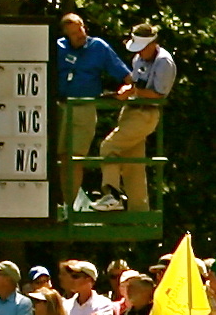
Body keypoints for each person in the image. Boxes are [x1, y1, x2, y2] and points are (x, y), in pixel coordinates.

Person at [51, 12, 131, 208]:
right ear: (66, 35)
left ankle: (69, 206)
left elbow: (126, 75)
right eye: (75, 34)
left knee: (76, 157)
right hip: (58, 106)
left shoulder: (98, 47)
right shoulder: (56, 47)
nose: (81, 35)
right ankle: (56, 204)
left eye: (82, 30)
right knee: (57, 156)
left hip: (84, 107)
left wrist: (128, 87)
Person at [97, 23, 174, 210]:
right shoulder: (138, 59)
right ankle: (139, 213)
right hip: (131, 111)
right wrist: (128, 90)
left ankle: (111, 195)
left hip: (146, 114)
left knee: (109, 147)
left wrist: (134, 92)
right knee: (134, 164)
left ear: (152, 44)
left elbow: (158, 95)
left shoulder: (164, 62)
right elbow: (136, 84)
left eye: (142, 48)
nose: (139, 52)